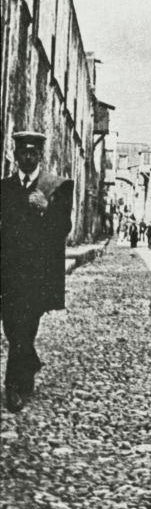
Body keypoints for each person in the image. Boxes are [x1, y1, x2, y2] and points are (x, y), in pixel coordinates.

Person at [0, 131, 74, 413]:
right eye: (23, 153)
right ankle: (28, 365)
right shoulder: (5, 187)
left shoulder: (57, 187)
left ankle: (13, 386)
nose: (28, 157)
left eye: (33, 153)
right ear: (15, 155)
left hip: (37, 276)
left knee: (24, 328)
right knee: (11, 328)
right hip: (8, 273)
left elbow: (64, 229)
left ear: (40, 155)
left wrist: (47, 209)